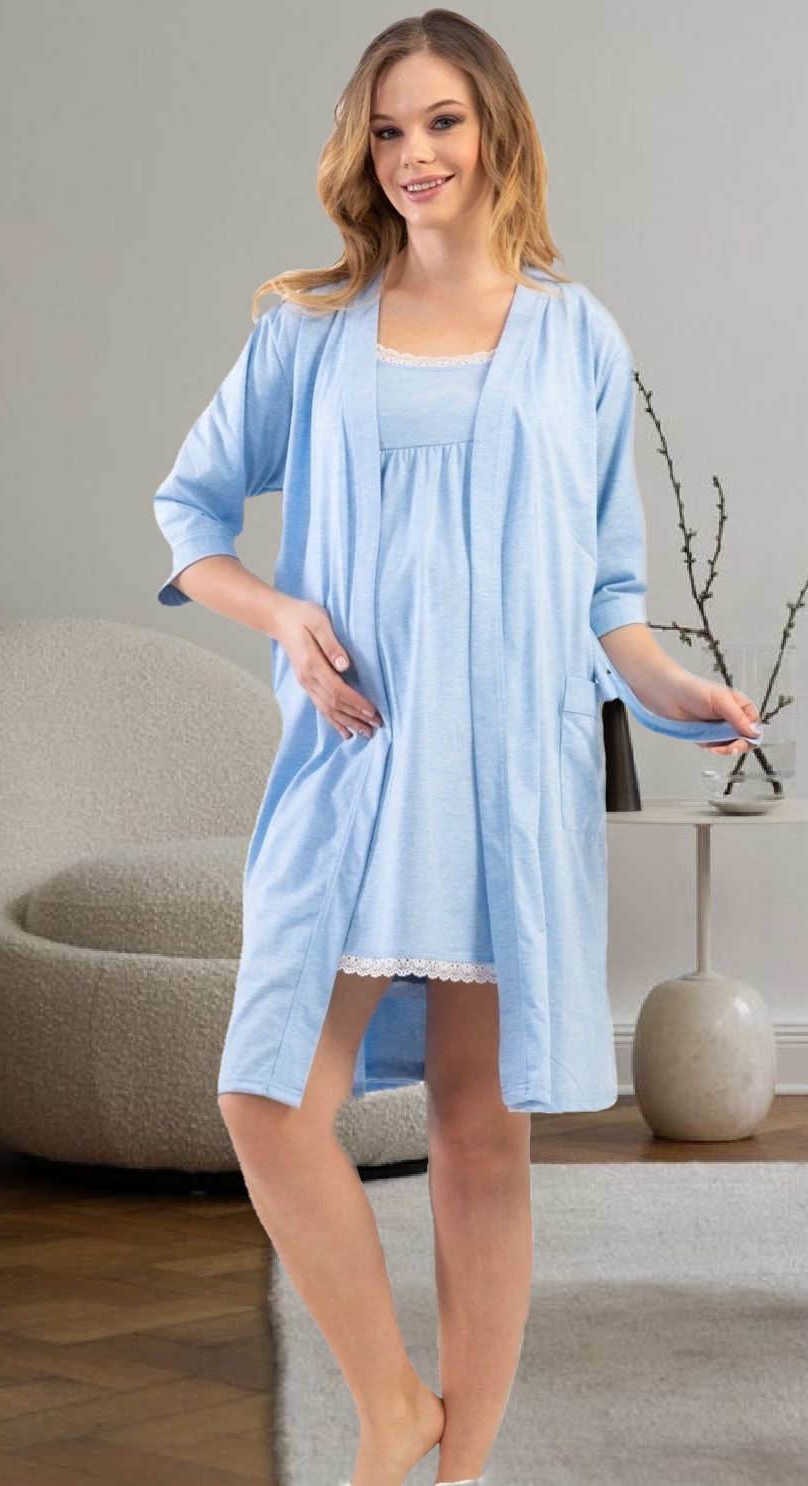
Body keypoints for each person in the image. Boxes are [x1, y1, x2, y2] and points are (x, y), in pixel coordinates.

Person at [153, 12, 763, 1485]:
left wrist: (671, 686)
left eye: (439, 121)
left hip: (507, 786)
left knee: (480, 1134)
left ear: (495, 129)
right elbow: (189, 515)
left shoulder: (576, 335)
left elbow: (608, 591)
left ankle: (462, 1464)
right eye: (386, 130)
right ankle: (393, 1406)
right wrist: (284, 613)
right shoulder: (307, 328)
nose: (413, 154)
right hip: (354, 769)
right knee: (265, 1099)